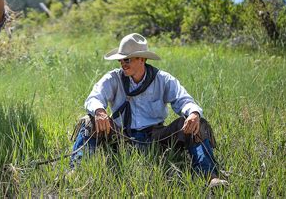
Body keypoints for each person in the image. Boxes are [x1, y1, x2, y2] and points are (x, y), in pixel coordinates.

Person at [69, 33, 228, 187]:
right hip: (121, 137)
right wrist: (99, 111)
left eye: (127, 59)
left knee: (196, 122)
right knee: (89, 120)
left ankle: (210, 176)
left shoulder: (163, 79)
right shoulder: (113, 78)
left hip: (157, 138)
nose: (122, 63)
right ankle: (75, 172)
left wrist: (193, 113)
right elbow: (93, 98)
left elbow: (184, 100)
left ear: (142, 59)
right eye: (120, 60)